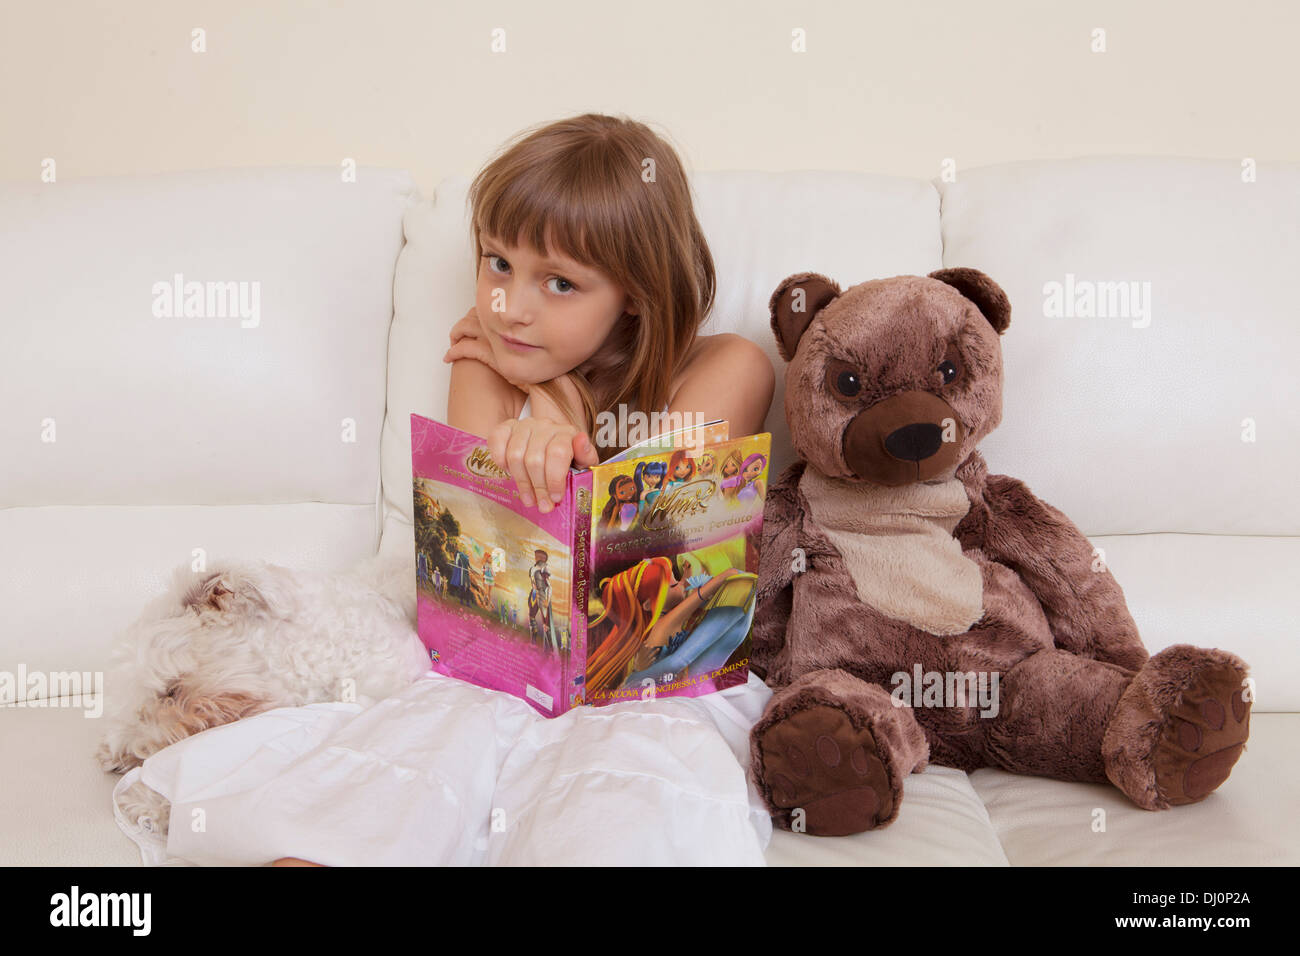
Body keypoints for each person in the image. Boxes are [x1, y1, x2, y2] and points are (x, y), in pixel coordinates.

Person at [143, 113, 776, 867]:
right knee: (388, 794)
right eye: (497, 263)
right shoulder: (481, 355)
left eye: (561, 283)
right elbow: (492, 574)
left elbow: (642, 563)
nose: (510, 305)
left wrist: (559, 410)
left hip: (650, 689)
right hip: (494, 676)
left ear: (635, 295)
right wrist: (536, 405)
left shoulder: (730, 366)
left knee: (620, 809)